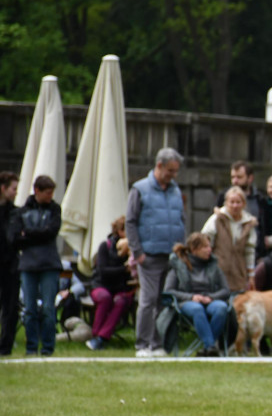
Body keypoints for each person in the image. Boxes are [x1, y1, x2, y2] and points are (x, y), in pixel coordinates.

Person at [126, 148, 186, 358]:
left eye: (176, 171)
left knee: (163, 300)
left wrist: (181, 249)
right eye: (170, 170)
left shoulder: (175, 190)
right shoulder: (140, 189)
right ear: (159, 165)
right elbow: (130, 222)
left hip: (171, 256)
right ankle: (142, 345)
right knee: (148, 299)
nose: (173, 175)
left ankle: (157, 344)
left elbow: (181, 221)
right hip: (149, 255)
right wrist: (138, 252)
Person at [10, 175, 62, 356]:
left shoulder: (55, 209)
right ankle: (31, 347)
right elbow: (16, 238)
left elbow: (51, 232)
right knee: (29, 308)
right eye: (47, 192)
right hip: (28, 265)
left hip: (49, 264)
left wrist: (28, 233)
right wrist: (39, 234)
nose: (50, 196)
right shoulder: (22, 211)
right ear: (37, 191)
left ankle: (47, 347)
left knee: (48, 307)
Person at [165, 233, 231, 356]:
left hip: (210, 300)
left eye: (209, 246)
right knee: (197, 309)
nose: (209, 249)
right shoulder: (178, 265)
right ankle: (210, 347)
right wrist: (191, 297)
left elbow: (225, 290)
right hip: (187, 302)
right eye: (205, 247)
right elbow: (169, 290)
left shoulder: (214, 266)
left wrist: (211, 297)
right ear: (194, 249)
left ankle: (207, 348)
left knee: (221, 308)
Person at [86, 216, 136, 350]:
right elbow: (103, 271)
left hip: (122, 288)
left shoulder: (134, 250)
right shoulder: (105, 246)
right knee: (105, 298)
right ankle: (96, 334)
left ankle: (101, 338)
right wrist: (124, 269)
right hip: (101, 285)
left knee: (121, 301)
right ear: (120, 231)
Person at [201, 185, 258, 293]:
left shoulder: (248, 223)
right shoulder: (216, 219)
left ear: (244, 204)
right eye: (232, 202)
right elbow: (204, 242)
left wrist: (251, 276)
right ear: (226, 203)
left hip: (239, 273)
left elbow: (249, 251)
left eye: (238, 202)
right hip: (217, 270)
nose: (235, 205)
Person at [215, 161, 268, 258]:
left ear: (250, 178)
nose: (235, 181)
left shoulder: (260, 199)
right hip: (229, 253)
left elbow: (263, 227)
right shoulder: (223, 196)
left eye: (239, 177)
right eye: (232, 177)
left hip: (254, 252)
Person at [0, 171, 19, 356]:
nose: (16, 192)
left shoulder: (15, 212)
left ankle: (5, 346)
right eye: (13, 189)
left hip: (10, 265)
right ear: (3, 188)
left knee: (11, 307)